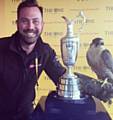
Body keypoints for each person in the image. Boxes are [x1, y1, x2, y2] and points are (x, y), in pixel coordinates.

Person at [0, 0, 65, 120]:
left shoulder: (45, 52)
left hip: (28, 116)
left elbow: (63, 78)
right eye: (25, 21)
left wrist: (100, 88)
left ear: (42, 24)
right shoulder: (1, 47)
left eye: (35, 21)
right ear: (17, 23)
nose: (30, 27)